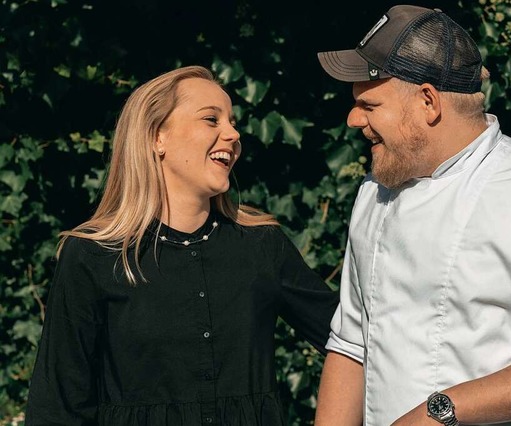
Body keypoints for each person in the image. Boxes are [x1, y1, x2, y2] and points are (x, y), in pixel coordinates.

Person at [314, 5, 511, 426]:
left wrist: (438, 413)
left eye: (369, 104)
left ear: (427, 102)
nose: (353, 120)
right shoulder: (374, 192)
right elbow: (351, 343)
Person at [24, 65, 339, 426]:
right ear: (158, 137)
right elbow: (57, 406)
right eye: (211, 119)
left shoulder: (262, 245)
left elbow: (351, 340)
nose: (233, 133)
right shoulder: (93, 256)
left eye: (232, 121)